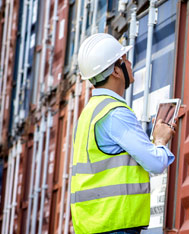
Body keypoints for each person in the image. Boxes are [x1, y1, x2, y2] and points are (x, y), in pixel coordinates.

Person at [70, 33, 176, 234]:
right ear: (116, 72)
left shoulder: (89, 113)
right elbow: (155, 163)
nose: (129, 63)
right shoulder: (115, 113)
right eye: (125, 59)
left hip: (92, 226)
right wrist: (161, 140)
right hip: (116, 226)